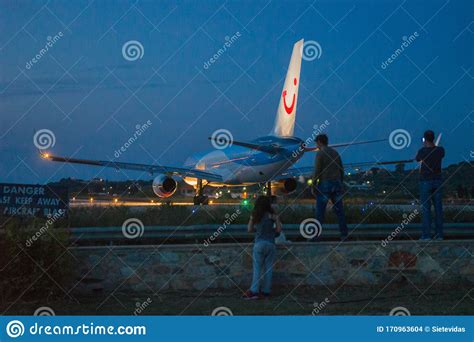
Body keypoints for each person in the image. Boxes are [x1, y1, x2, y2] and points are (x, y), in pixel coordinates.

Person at [243, 196, 282, 300]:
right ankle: (266, 291)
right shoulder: (272, 216)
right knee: (268, 268)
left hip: (259, 244)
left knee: (257, 268)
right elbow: (278, 230)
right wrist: (277, 219)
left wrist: (252, 220)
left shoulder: (256, 215)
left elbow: (249, 229)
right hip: (270, 244)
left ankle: (254, 290)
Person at [312, 134, 348, 240]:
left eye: (316, 142)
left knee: (320, 212)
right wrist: (340, 182)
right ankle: (344, 234)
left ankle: (316, 236)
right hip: (336, 184)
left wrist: (314, 185)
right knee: (340, 211)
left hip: (325, 184)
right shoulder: (335, 152)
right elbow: (341, 169)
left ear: (319, 142)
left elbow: (317, 171)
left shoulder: (320, 153)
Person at [416, 130, 445, 241]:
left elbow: (417, 158)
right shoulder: (440, 150)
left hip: (425, 182)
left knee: (426, 209)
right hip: (437, 181)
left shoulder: (422, 151)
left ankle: (426, 235)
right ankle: (439, 234)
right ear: (433, 138)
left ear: (424, 139)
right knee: (438, 208)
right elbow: (440, 154)